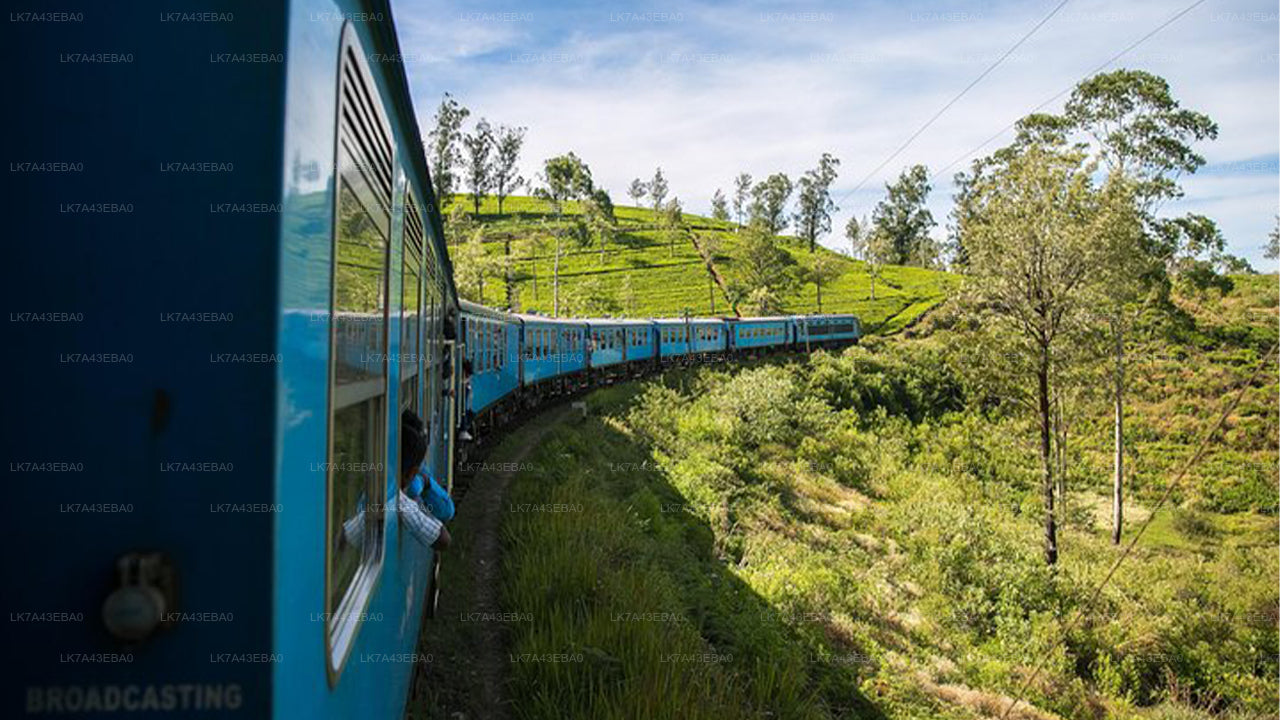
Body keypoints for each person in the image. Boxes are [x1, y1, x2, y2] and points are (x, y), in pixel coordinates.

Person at [341, 411, 450, 551]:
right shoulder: (396, 501)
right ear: (412, 473)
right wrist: (408, 505)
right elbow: (443, 540)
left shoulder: (369, 475)